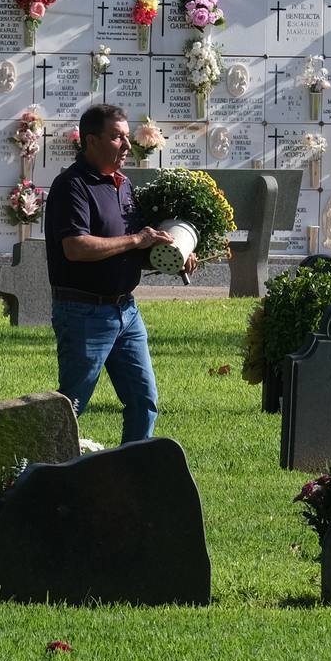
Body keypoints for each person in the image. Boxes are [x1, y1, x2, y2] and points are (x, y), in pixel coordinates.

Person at [46, 103, 196, 443]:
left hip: (126, 313)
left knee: (144, 402)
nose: (127, 146)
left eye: (127, 137)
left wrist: (172, 255)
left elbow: (131, 250)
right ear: (91, 141)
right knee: (71, 405)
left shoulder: (123, 184)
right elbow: (76, 248)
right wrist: (135, 239)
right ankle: (28, 477)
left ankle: (130, 479)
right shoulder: (72, 186)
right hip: (84, 312)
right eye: (117, 138)